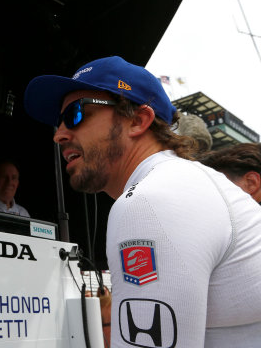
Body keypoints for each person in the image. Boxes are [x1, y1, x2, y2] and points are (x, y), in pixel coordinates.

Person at [24, 56, 261, 347]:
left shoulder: (152, 200)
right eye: (57, 122)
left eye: (75, 114)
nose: (59, 134)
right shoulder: (185, 182)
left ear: (137, 121)